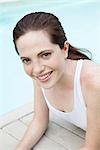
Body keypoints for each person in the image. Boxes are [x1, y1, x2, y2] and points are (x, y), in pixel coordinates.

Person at [13, 12, 100, 150]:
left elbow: (93, 147)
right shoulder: (42, 75)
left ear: (64, 49)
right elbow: (39, 121)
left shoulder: (93, 82)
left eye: (45, 55)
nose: (36, 69)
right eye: (26, 60)